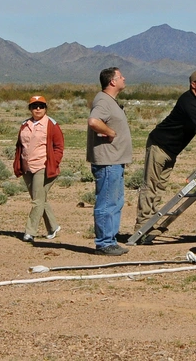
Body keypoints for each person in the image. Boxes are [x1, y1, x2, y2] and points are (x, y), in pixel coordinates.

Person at [135, 71, 196, 236]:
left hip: (172, 150)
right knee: (150, 185)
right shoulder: (187, 101)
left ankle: (151, 222)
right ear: (193, 84)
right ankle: (141, 226)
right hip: (159, 145)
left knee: (160, 186)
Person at [87, 67, 133, 256]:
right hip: (108, 161)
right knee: (107, 202)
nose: (124, 78)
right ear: (112, 81)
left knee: (114, 201)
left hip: (114, 160)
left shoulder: (109, 101)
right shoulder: (104, 101)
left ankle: (110, 240)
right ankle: (105, 243)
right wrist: (110, 132)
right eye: (121, 76)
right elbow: (94, 121)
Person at [13, 95, 64, 243]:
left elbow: (59, 147)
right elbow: (19, 146)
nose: (38, 109)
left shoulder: (51, 125)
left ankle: (30, 232)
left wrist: (54, 162)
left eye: (41, 106)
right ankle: (53, 227)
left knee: (37, 201)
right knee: (40, 199)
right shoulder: (25, 125)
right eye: (34, 106)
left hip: (43, 167)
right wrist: (18, 164)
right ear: (30, 108)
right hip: (27, 167)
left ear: (45, 108)